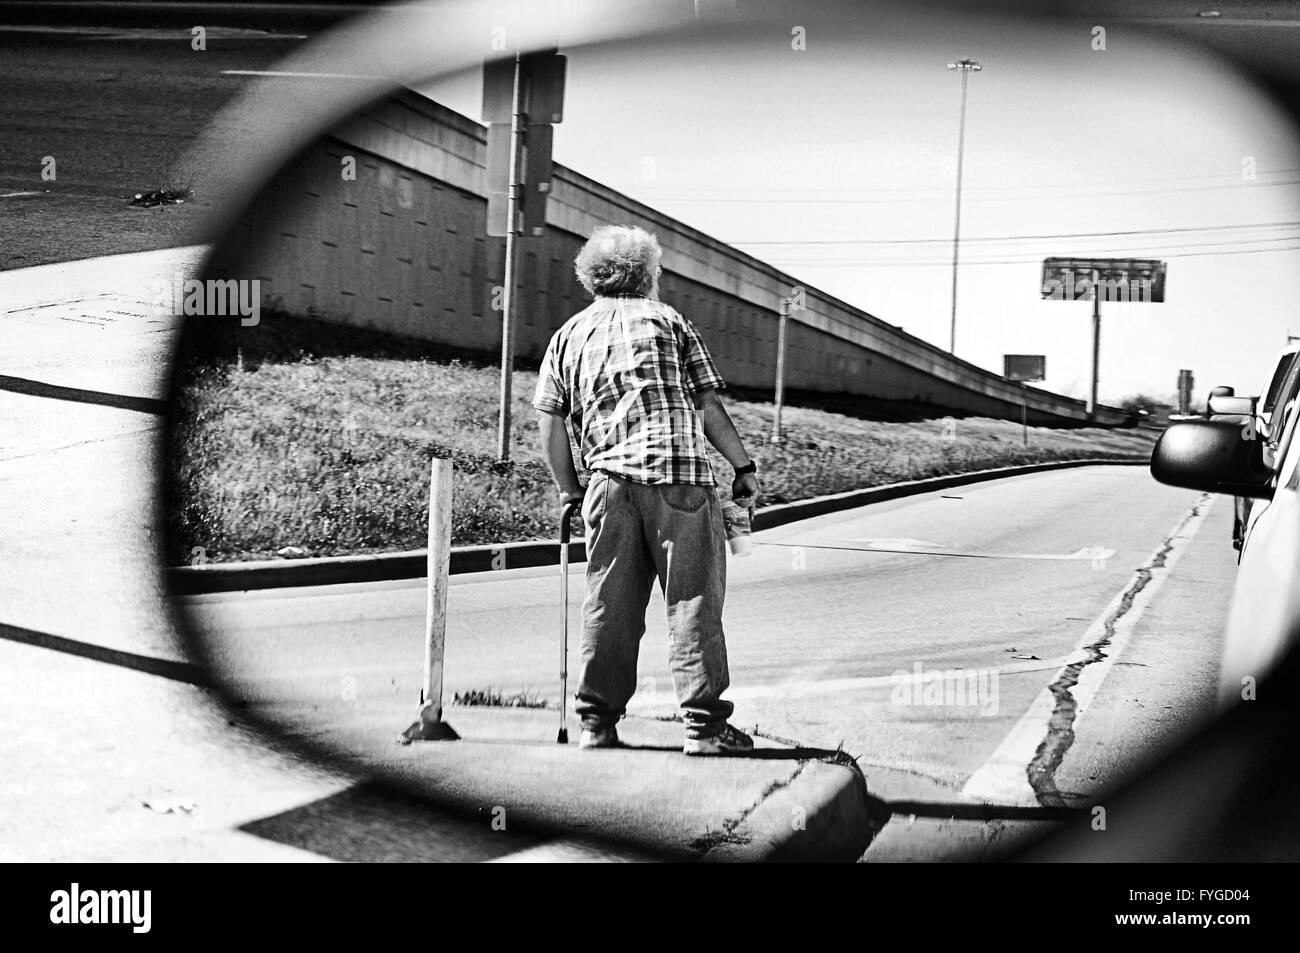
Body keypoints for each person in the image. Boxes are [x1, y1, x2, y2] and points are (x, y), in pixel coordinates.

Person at [532, 224, 760, 756]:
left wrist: (569, 490)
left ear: (592, 277)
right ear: (648, 272)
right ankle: (704, 728)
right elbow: (707, 407)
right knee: (692, 602)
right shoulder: (670, 322)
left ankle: (596, 724)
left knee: (609, 603)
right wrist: (742, 466)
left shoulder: (568, 335)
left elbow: (549, 418)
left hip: (608, 485)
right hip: (679, 479)